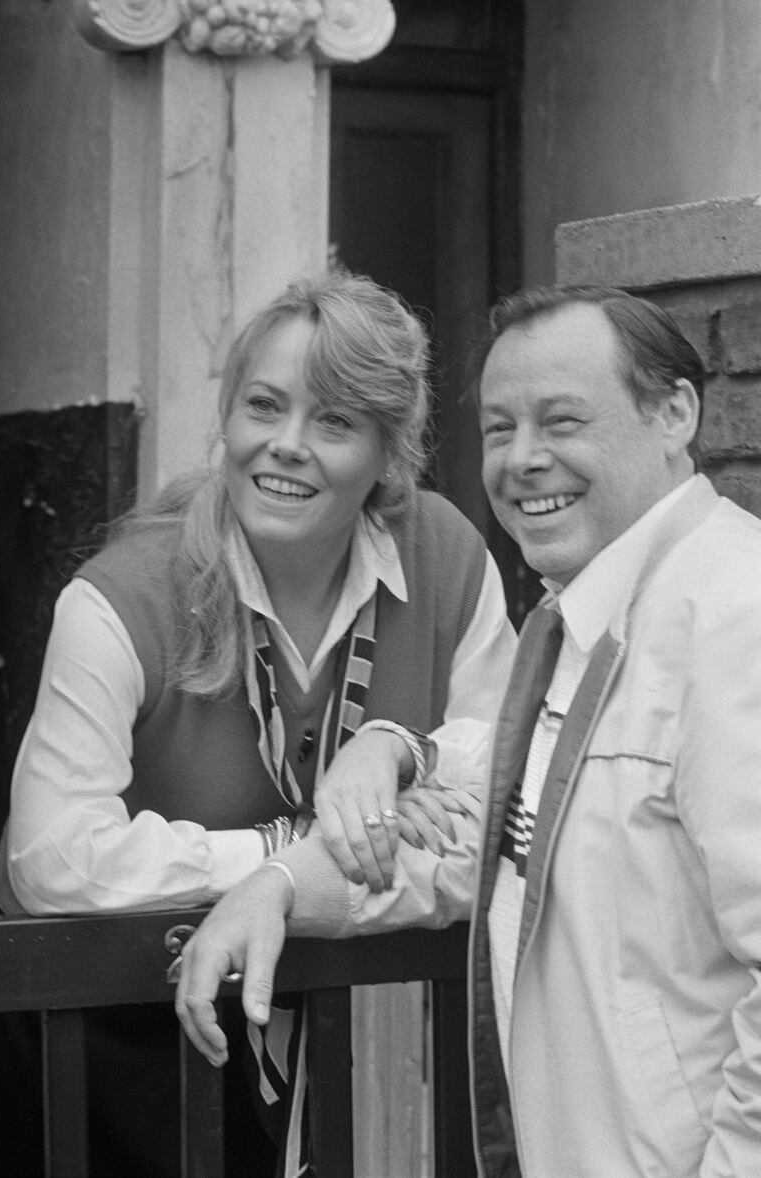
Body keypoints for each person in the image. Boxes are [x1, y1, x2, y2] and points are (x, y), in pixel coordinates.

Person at [175, 284, 761, 1178]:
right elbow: (481, 845)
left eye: (562, 421)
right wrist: (280, 887)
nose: (524, 459)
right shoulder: (573, 622)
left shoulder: (734, 615)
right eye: (498, 430)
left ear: (675, 413)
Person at [0, 269, 516, 1178]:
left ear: (391, 451)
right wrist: (286, 853)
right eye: (265, 406)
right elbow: (53, 856)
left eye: (333, 422)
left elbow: (496, 791)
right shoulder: (119, 598)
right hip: (107, 1041)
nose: (286, 445)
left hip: (348, 1039)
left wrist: (398, 752)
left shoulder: (449, 556)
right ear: (227, 419)